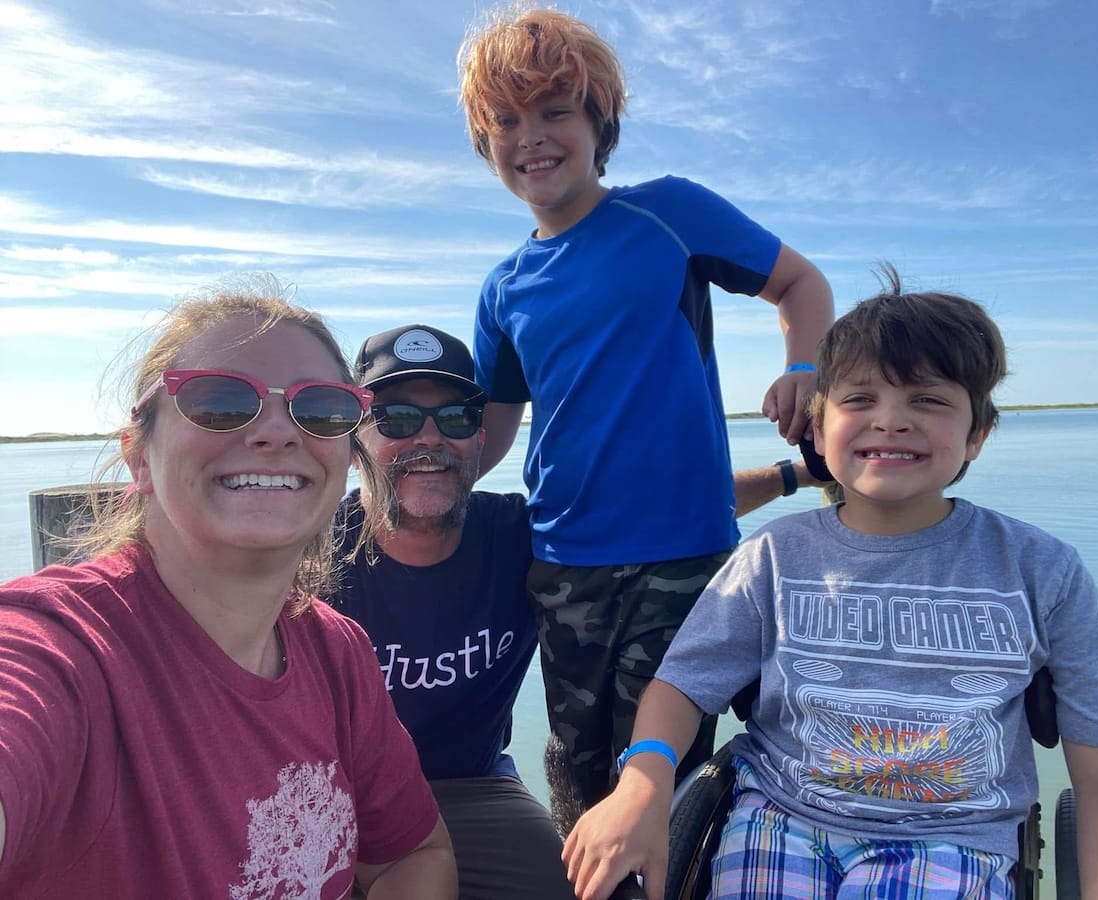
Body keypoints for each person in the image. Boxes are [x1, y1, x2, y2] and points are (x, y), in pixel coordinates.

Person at [562, 266, 1098, 900]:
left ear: (978, 433)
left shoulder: (1044, 571)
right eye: (859, 400)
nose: (891, 421)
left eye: (928, 400)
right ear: (819, 432)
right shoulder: (774, 555)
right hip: (778, 817)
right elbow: (682, 685)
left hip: (955, 839)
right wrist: (643, 783)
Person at [457, 5, 837, 825]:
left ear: (599, 123)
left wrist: (803, 369)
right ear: (486, 146)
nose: (532, 137)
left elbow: (802, 285)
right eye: (507, 121)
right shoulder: (504, 287)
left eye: (556, 111)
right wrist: (407, 476)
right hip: (561, 562)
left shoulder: (668, 213)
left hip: (682, 560)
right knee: (575, 767)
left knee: (664, 777)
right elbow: (489, 430)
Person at [330, 324, 829, 898]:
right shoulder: (306, 559)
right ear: (352, 438)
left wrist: (799, 473)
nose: (429, 439)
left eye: (455, 417)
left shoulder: (522, 536)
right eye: (395, 418)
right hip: (334, 792)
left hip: (474, 788)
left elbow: (665, 514)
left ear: (480, 434)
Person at [0, 282, 456, 898]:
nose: (276, 432)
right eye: (218, 401)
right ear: (139, 455)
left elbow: (413, 854)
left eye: (320, 408)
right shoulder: (60, 648)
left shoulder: (335, 649)